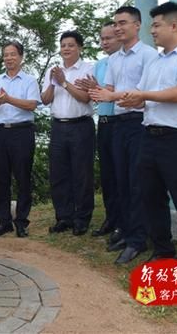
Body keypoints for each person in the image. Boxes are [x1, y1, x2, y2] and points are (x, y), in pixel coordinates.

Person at [119, 1, 177, 268]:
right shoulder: (155, 62)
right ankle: (162, 250)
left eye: (156, 25)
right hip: (150, 136)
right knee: (151, 196)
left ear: (174, 25)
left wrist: (143, 95)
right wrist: (133, 100)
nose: (153, 31)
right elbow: (145, 98)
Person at [89, 6, 158, 265]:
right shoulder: (115, 59)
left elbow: (143, 93)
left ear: (137, 25)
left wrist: (111, 95)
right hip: (118, 123)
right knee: (120, 181)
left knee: (136, 181)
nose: (118, 28)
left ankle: (138, 240)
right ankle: (127, 232)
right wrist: (96, 90)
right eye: (116, 23)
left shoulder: (149, 56)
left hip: (139, 124)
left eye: (123, 23)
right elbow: (110, 89)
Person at [0, 41, 40, 238]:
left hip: (22, 132)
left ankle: (21, 222)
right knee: (1, 179)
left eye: (13, 54)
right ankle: (4, 221)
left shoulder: (29, 81)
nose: (8, 58)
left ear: (21, 57)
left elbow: (32, 104)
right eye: (6, 54)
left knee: (23, 178)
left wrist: (8, 99)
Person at [41, 31, 95, 236]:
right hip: (58, 126)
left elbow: (85, 97)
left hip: (81, 126)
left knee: (81, 174)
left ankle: (82, 219)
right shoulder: (54, 71)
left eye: (70, 45)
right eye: (63, 45)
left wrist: (64, 82)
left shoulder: (88, 69)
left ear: (79, 47)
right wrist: (54, 83)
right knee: (59, 174)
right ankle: (63, 217)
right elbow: (45, 100)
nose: (66, 49)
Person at [75, 23, 122, 238]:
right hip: (102, 121)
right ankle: (111, 219)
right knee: (107, 175)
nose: (105, 42)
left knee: (122, 174)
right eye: (102, 39)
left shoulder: (124, 62)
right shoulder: (100, 64)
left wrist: (98, 89)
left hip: (120, 121)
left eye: (109, 38)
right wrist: (92, 89)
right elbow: (94, 95)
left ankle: (123, 222)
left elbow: (120, 93)